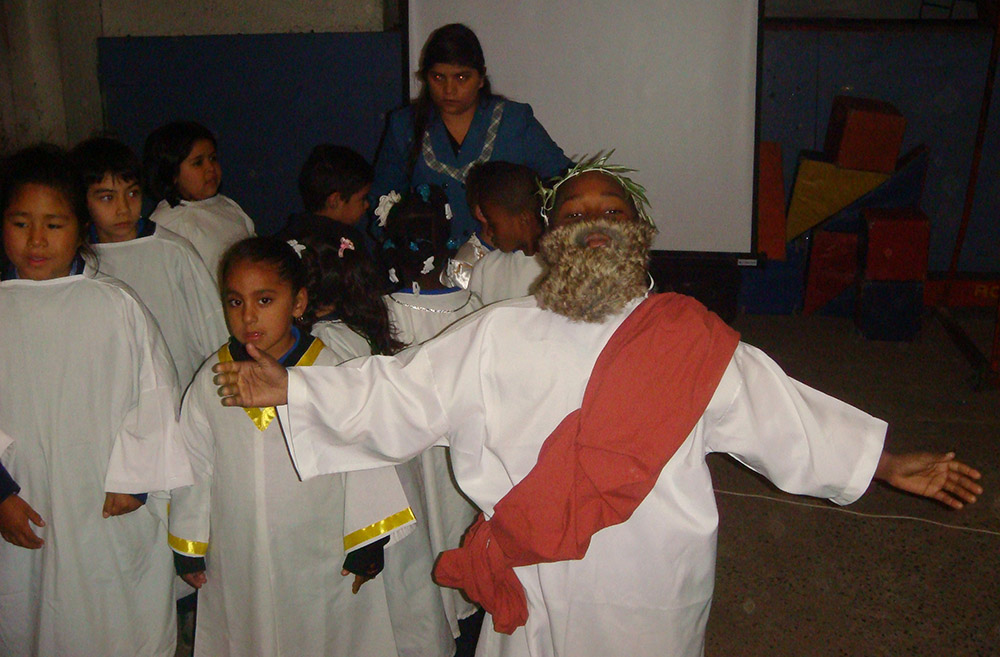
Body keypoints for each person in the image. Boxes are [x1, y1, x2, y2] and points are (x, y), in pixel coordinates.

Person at [213, 155, 983, 657]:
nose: (590, 221)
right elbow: (398, 390)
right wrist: (296, 385)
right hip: (535, 586)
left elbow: (785, 417)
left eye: (608, 210)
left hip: (650, 587)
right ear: (553, 237)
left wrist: (881, 461)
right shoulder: (497, 332)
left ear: (637, 234)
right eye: (574, 212)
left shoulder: (686, 338)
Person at [167, 236, 434, 657]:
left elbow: (362, 454)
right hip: (239, 555)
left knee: (322, 635)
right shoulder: (213, 378)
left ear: (297, 302)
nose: (248, 316)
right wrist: (190, 544)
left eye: (265, 300)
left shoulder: (329, 372)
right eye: (235, 302)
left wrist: (367, 540)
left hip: (319, 554)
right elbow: (194, 461)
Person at [0, 145, 191, 657]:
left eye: (54, 225)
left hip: (106, 500)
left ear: (80, 229)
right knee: (33, 613)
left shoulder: (115, 306)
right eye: (21, 223)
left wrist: (139, 482)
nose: (36, 241)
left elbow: (155, 394)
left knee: (113, 620)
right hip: (23, 504)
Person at [302, 228, 456, 656]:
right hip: (391, 489)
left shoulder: (326, 346)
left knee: (379, 611)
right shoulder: (360, 331)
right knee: (403, 597)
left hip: (371, 498)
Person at [376, 184, 483, 635]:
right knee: (454, 515)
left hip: (409, 451)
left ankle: (431, 621)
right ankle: (464, 607)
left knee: (422, 532)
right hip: (458, 451)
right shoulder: (474, 306)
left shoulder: (384, 312)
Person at [370, 23, 571, 243]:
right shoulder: (404, 126)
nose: (449, 90)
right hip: (430, 264)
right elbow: (382, 203)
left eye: (461, 78)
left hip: (506, 260)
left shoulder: (514, 121)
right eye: (438, 78)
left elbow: (562, 180)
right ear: (426, 78)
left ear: (481, 78)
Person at [71, 136, 227, 389]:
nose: (123, 208)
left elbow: (214, 333)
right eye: (107, 198)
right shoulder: (78, 262)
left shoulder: (174, 252)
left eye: (132, 193)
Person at [143, 120, 255, 280]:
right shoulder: (166, 224)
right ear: (172, 174)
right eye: (198, 163)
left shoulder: (228, 206)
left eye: (213, 158)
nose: (210, 168)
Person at [464, 161, 545, 304]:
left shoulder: (557, 266)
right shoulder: (487, 268)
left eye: (493, 224)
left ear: (523, 218)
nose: (489, 232)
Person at [276, 144, 373, 244]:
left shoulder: (284, 240)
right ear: (335, 201)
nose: (367, 205)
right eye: (362, 198)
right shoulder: (348, 243)